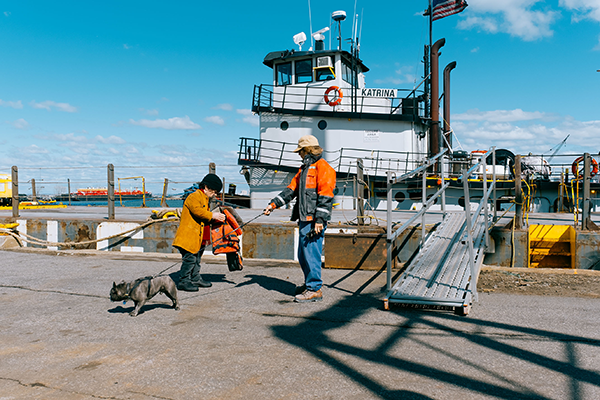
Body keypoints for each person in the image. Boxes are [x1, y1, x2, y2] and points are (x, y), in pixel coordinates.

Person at [264, 135, 336, 302]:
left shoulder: (323, 168)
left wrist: (319, 220)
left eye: (300, 151)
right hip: (305, 218)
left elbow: (325, 195)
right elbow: (291, 190)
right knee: (304, 254)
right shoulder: (304, 169)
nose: (299, 154)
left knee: (311, 254)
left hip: (313, 221)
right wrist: (272, 205)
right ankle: (309, 284)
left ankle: (314, 289)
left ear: (307, 150)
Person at [172, 173, 226, 292]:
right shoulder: (194, 196)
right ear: (206, 187)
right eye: (214, 191)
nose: (215, 194)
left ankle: (195, 278)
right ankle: (184, 281)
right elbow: (198, 211)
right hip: (188, 236)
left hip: (196, 237)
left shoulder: (204, 197)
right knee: (190, 259)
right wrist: (213, 215)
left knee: (196, 258)